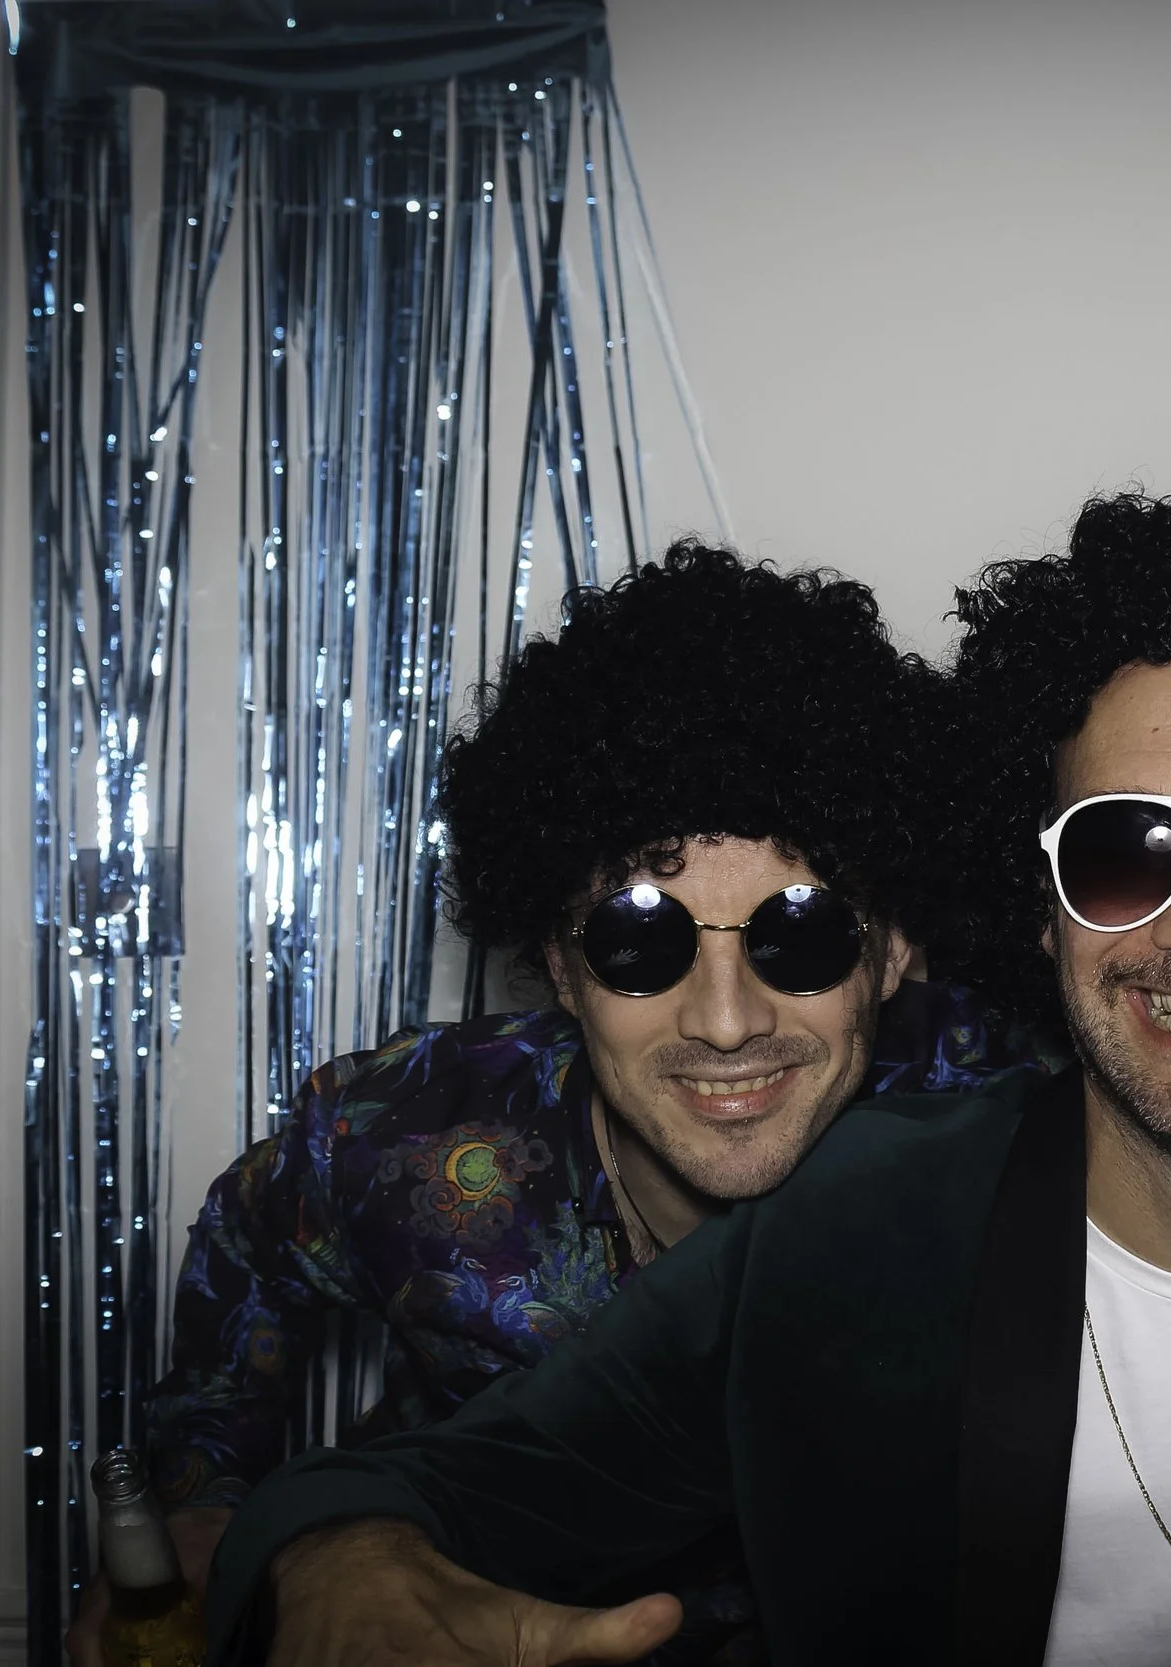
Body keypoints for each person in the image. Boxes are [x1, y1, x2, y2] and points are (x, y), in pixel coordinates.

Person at [195, 476, 1171, 1666]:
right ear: (1041, 909)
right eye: (1121, 852)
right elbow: (419, 1487)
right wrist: (335, 1566)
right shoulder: (848, 1223)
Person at [70, 544, 1029, 1665]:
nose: (727, 1021)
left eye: (803, 933)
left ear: (896, 946)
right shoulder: (407, 1138)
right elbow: (247, 1246)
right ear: (561, 967)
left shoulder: (1008, 1133)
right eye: (639, 940)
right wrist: (205, 1497)